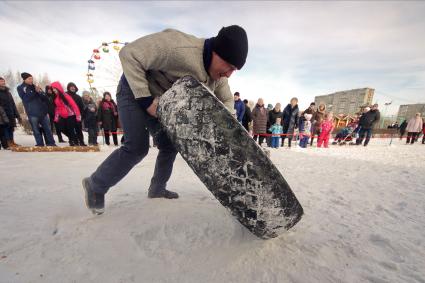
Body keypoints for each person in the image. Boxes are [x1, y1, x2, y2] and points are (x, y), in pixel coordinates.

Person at [82, 25, 248, 214]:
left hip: (161, 102)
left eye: (234, 70)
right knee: (136, 148)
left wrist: (229, 128)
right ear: (217, 53)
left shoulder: (218, 78)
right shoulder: (178, 47)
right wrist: (146, 100)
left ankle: (157, 188)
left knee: (170, 144)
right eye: (229, 67)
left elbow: (226, 99)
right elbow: (130, 53)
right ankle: (95, 185)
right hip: (134, 90)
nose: (229, 74)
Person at [17, 72, 56, 147]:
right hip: (32, 113)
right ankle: (40, 144)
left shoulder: (36, 86)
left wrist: (40, 92)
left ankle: (52, 143)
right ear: (25, 79)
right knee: (36, 130)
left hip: (43, 112)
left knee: (48, 129)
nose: (31, 80)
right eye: (29, 79)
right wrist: (35, 91)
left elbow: (45, 98)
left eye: (32, 78)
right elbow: (25, 99)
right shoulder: (20, 88)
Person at [51, 81, 81, 146]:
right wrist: (56, 118)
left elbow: (74, 105)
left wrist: (78, 115)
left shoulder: (65, 95)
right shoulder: (56, 98)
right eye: (53, 89)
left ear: (58, 88)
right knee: (61, 128)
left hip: (70, 115)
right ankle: (73, 138)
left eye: (54, 88)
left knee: (70, 129)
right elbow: (57, 108)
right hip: (63, 116)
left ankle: (74, 141)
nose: (53, 90)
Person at [0, 77, 21, 147]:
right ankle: (8, 142)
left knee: (11, 128)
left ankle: (12, 142)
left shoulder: (8, 92)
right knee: (6, 128)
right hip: (2, 114)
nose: (3, 82)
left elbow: (13, 104)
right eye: (1, 81)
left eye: (3, 81)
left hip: (10, 113)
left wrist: (17, 115)